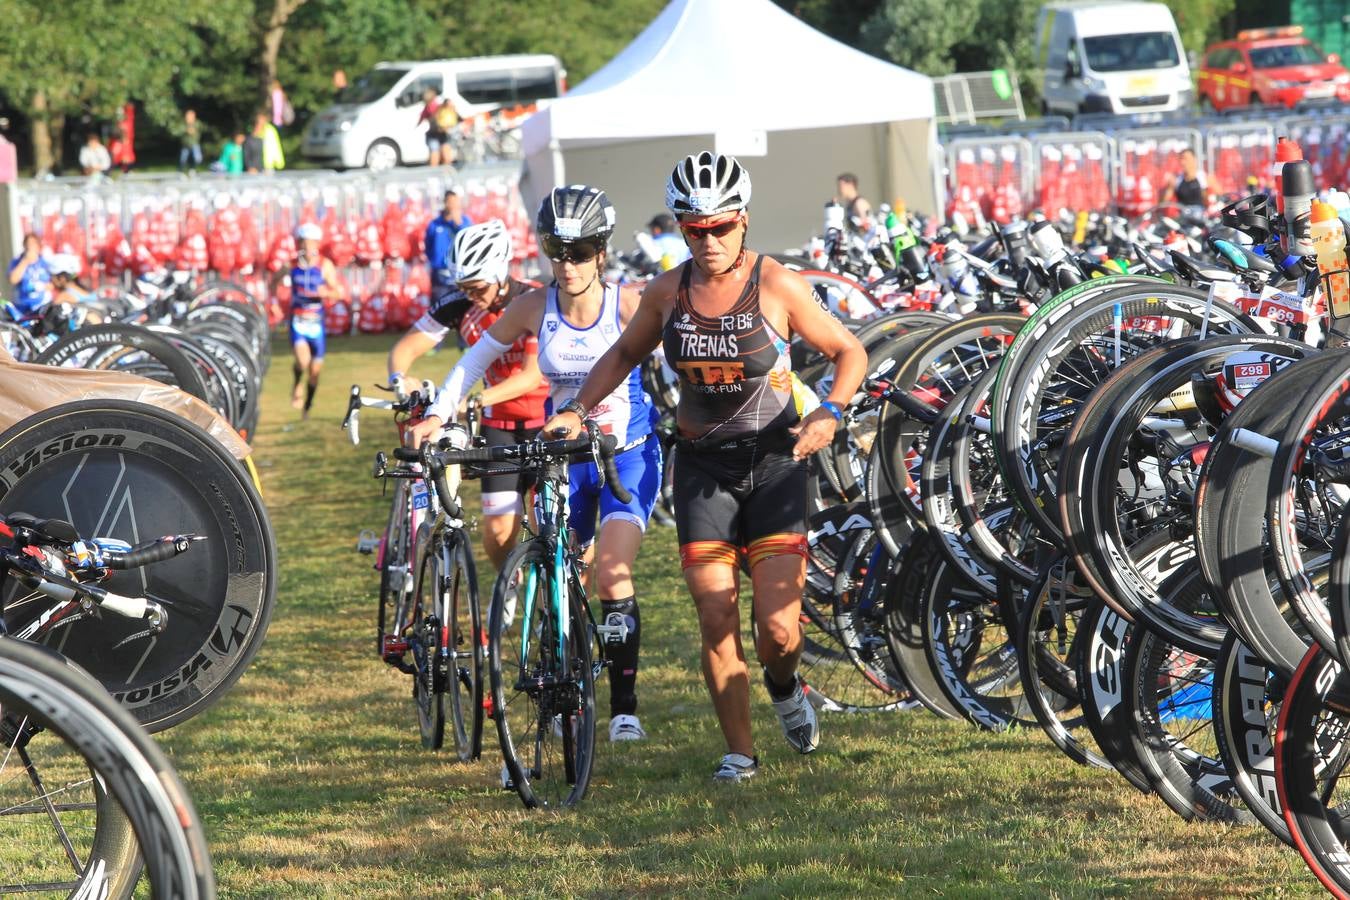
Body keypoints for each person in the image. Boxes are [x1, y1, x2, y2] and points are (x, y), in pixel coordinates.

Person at [540, 151, 867, 783]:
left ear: (743, 222)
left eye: (720, 227)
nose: (709, 240)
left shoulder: (776, 284)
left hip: (774, 463)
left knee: (776, 629)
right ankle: (740, 753)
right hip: (703, 473)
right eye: (695, 229)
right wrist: (579, 408)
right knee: (715, 613)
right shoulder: (668, 292)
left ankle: (783, 682)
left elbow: (847, 351)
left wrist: (829, 410)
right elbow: (623, 353)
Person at [411, 185, 660, 748]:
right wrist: (438, 413)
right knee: (560, 570)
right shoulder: (532, 307)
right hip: (562, 459)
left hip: (625, 455)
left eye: (581, 252)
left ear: (601, 252)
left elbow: (678, 360)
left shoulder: (626, 303)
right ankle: (562, 681)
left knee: (613, 574)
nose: (568, 266)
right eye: (557, 252)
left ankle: (624, 708)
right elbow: (472, 362)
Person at [389, 220, 548, 568]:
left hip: (545, 421)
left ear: (499, 273)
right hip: (499, 426)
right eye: (463, 287)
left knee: (547, 524)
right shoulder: (462, 304)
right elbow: (405, 348)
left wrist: (472, 401)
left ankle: (558, 607)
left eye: (475, 287)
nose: (470, 296)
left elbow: (531, 376)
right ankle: (510, 587)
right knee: (498, 532)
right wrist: (400, 378)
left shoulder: (536, 299)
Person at [288, 222, 341, 418]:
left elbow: (339, 292)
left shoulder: (325, 266)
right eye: (302, 243)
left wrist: (326, 292)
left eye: (310, 243)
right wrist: (276, 301)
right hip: (298, 321)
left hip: (316, 324)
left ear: (317, 244)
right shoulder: (292, 265)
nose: (306, 247)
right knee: (303, 361)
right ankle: (296, 387)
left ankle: (307, 407)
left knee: (315, 372)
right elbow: (274, 280)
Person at [424, 188, 473, 306]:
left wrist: (458, 224)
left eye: (455, 203)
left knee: (461, 306)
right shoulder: (435, 224)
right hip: (440, 273)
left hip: (460, 273)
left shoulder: (465, 222)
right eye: (450, 202)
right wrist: (435, 262)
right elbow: (428, 245)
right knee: (440, 305)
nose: (452, 206)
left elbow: (470, 242)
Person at [8, 234, 50, 316]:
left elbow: (54, 283)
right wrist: (25, 261)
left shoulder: (44, 262)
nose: (30, 246)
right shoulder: (17, 262)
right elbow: (13, 280)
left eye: (33, 244)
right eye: (27, 244)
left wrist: (41, 287)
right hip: (21, 308)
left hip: (41, 306)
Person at [418, 87, 454, 168]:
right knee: (440, 157)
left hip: (438, 134)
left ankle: (438, 175)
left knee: (442, 157)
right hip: (436, 134)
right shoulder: (432, 107)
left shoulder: (431, 107)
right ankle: (440, 175)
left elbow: (421, 119)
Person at [179, 109, 203, 174]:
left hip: (194, 144)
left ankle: (192, 170)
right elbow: (182, 130)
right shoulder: (183, 124)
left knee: (197, 158)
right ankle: (181, 172)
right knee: (183, 160)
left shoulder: (197, 123)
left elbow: (196, 130)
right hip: (186, 145)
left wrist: (191, 127)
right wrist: (187, 128)